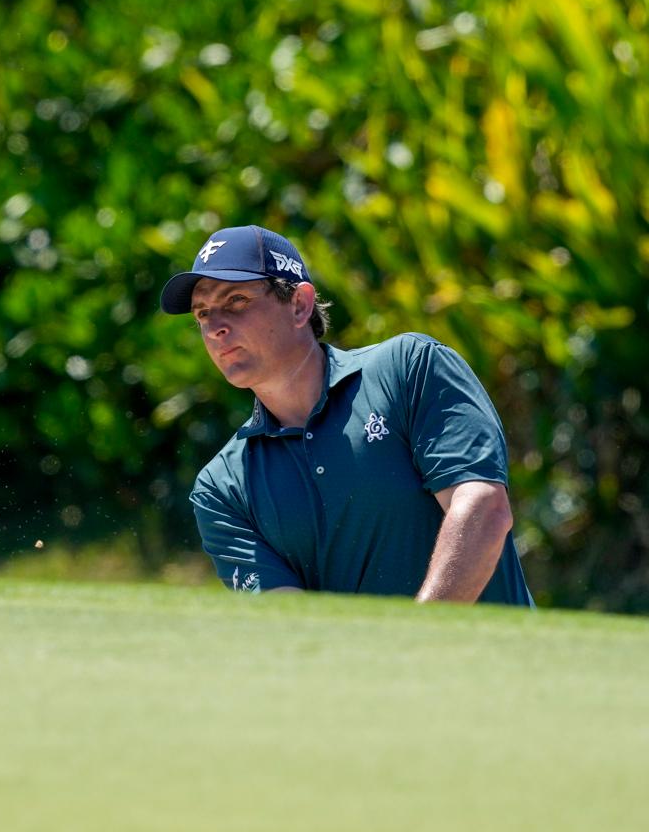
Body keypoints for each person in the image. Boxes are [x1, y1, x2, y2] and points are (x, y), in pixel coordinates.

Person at [159, 225, 533, 606]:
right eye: (202, 313)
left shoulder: (409, 368)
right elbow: (289, 623)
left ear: (299, 305)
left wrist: (419, 640)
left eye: (236, 300)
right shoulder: (221, 488)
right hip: (367, 667)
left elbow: (484, 508)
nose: (215, 327)